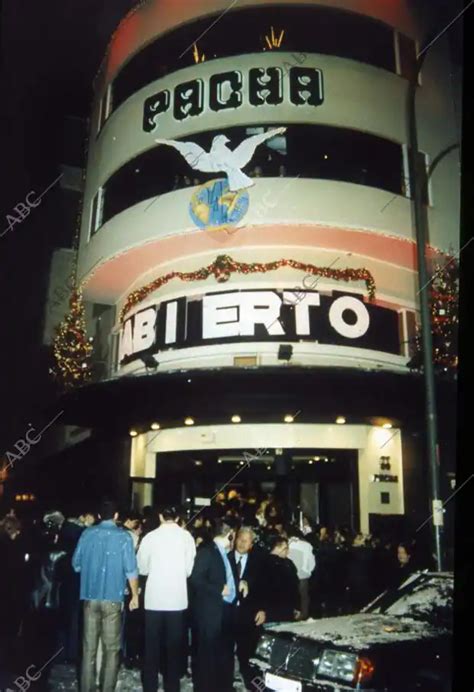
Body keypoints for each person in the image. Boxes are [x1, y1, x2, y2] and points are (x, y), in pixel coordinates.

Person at [72, 499, 139, 692]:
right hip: (113, 600)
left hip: (90, 599)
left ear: (99, 516)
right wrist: (135, 595)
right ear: (117, 516)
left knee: (88, 650)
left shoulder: (87, 534)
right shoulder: (124, 537)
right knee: (111, 650)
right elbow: (131, 571)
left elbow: (76, 564)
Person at [137, 505, 196, 692]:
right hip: (177, 600)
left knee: (151, 649)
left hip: (154, 600)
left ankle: (150, 688)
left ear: (161, 516)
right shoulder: (187, 537)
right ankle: (172, 688)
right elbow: (189, 571)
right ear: (178, 517)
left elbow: (142, 568)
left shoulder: (150, 537)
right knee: (173, 649)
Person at [190, 519, 236, 692]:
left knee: (221, 654)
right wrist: (218, 589)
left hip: (223, 611)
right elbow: (196, 579)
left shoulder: (223, 553)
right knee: (207, 656)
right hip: (209, 613)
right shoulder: (207, 552)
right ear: (229, 534)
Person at [228, 527, 266, 690]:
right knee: (224, 654)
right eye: (240, 539)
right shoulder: (225, 558)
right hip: (226, 614)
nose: (242, 543)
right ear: (235, 539)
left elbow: (265, 589)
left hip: (248, 616)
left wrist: (263, 609)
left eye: (246, 541)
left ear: (251, 545)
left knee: (247, 657)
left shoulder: (259, 563)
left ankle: (255, 687)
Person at [264, 536, 300, 622]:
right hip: (273, 608)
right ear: (277, 548)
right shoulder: (265, 563)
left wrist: (296, 606)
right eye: (285, 548)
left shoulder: (288, 563)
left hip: (285, 607)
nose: (288, 551)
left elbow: (295, 586)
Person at [287, 525, 316, 620]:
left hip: (289, 576)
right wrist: (308, 571)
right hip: (303, 576)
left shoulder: (286, 544)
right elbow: (312, 563)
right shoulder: (307, 545)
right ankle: (304, 617)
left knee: (290, 599)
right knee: (304, 599)